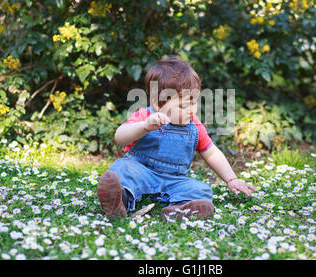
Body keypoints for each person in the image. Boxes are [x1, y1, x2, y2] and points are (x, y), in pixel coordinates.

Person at [97, 55, 257, 221]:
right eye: (183, 105)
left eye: (194, 102)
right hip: (141, 172)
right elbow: (120, 136)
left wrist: (231, 179)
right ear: (158, 104)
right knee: (122, 170)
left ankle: (178, 210)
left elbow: (211, 153)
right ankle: (119, 201)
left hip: (175, 180)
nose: (191, 110)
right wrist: (144, 126)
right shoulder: (146, 116)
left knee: (202, 190)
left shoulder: (194, 125)